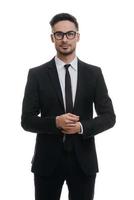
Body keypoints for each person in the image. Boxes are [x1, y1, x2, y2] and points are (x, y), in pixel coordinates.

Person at [21, 13, 116, 200]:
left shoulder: (94, 74)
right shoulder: (36, 75)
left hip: (83, 163)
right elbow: (27, 120)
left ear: (77, 36)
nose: (65, 39)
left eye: (70, 34)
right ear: (52, 38)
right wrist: (55, 123)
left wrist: (82, 127)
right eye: (59, 34)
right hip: (47, 162)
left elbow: (109, 117)